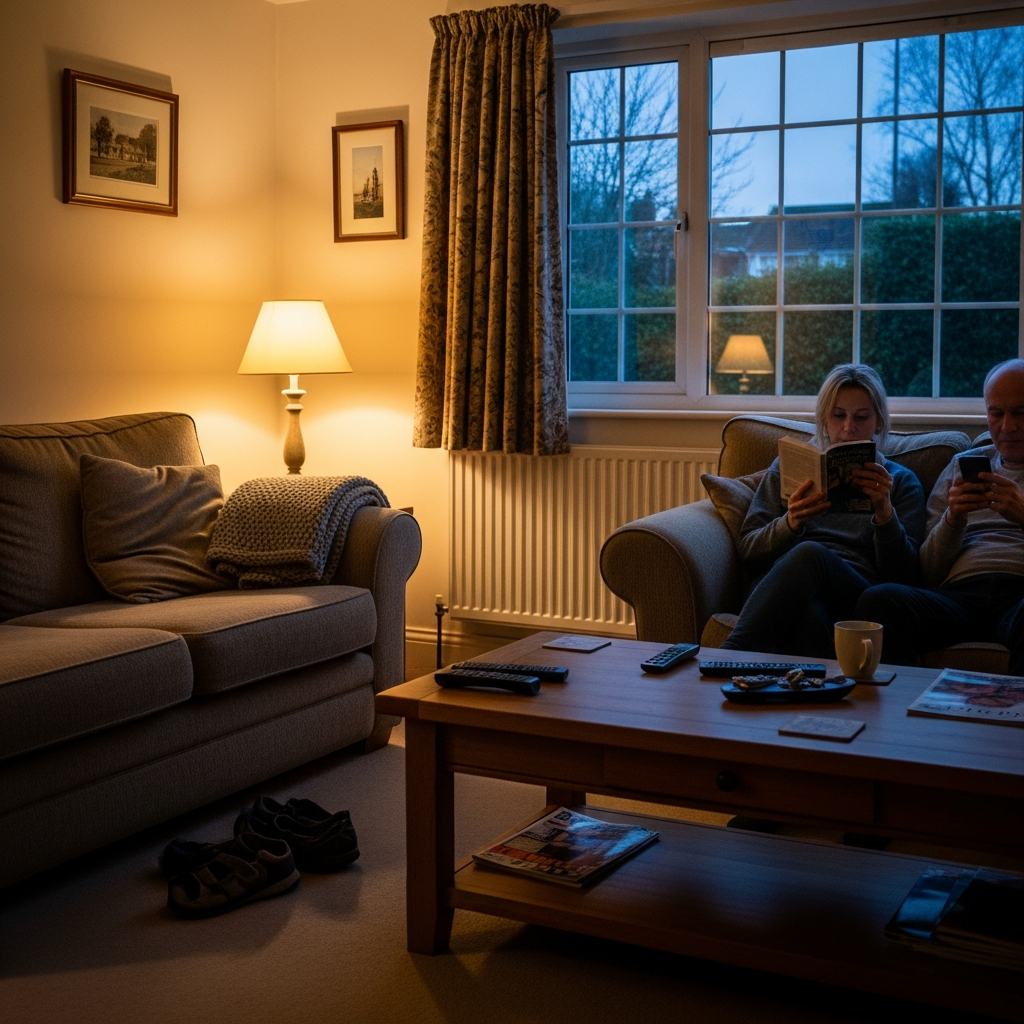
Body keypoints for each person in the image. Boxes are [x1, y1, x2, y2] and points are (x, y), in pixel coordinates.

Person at [721, 363, 926, 658]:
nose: (848, 428)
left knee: (811, 553)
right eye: (838, 415)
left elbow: (904, 578)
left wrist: (884, 513)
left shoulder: (901, 482)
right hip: (784, 587)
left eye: (861, 417)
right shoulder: (789, 467)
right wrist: (790, 523)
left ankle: (727, 657)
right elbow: (749, 550)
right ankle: (803, 687)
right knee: (809, 616)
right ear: (824, 420)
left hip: (854, 589)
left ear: (879, 422)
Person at [856, 358, 1024, 676]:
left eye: (1020, 412)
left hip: (1019, 596)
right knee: (879, 600)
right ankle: (899, 707)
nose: (1007, 426)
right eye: (996, 413)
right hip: (959, 596)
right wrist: (954, 519)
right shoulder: (961, 465)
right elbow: (928, 573)